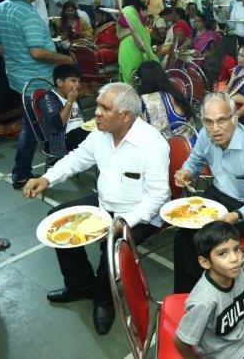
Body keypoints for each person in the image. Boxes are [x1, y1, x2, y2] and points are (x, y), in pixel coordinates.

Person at [23, 83, 170, 335]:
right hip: (106, 203)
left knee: (111, 245)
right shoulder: (101, 133)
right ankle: (80, 284)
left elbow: (158, 196)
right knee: (57, 219)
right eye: (98, 106)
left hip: (139, 214)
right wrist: (46, 178)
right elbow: (77, 158)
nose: (96, 113)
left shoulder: (152, 143)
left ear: (126, 115)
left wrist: (123, 223)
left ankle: (103, 299)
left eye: (104, 108)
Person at [172, 92, 244, 293]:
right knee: (182, 236)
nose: (215, 128)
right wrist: (186, 171)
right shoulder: (206, 135)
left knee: (205, 242)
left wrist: (236, 215)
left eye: (221, 120)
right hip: (217, 196)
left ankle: (212, 296)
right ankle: (185, 295)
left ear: (234, 119)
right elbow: (196, 160)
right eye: (208, 121)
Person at [0, 0, 74, 189]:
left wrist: (16, 60)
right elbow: (37, 52)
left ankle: (50, 162)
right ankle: (27, 171)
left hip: (18, 78)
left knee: (34, 121)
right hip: (37, 80)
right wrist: (65, 59)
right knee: (43, 122)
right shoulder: (27, 15)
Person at [173, 221, 244, 358]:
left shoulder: (236, 273)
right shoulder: (204, 301)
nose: (235, 258)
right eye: (222, 253)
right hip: (225, 351)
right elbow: (180, 341)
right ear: (205, 262)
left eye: (237, 249)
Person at [0, 0, 22, 138]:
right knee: (12, 90)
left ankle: (6, 127)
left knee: (2, 90)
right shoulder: (7, 9)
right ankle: (13, 126)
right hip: (7, 54)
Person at [38, 64, 89, 158]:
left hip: (81, 132)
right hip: (64, 139)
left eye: (79, 81)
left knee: (107, 128)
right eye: (73, 81)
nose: (77, 85)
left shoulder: (72, 95)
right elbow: (58, 124)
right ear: (60, 82)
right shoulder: (48, 98)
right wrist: (69, 102)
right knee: (100, 136)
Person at [137, 60, 196, 142]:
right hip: (192, 139)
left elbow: (143, 132)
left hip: (174, 146)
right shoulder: (173, 93)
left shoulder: (147, 101)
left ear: (145, 81)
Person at [116, 0, 159, 85]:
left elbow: (119, 34)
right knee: (138, 76)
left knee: (128, 75)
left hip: (127, 45)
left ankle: (129, 91)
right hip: (137, 45)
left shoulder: (125, 12)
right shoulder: (138, 12)